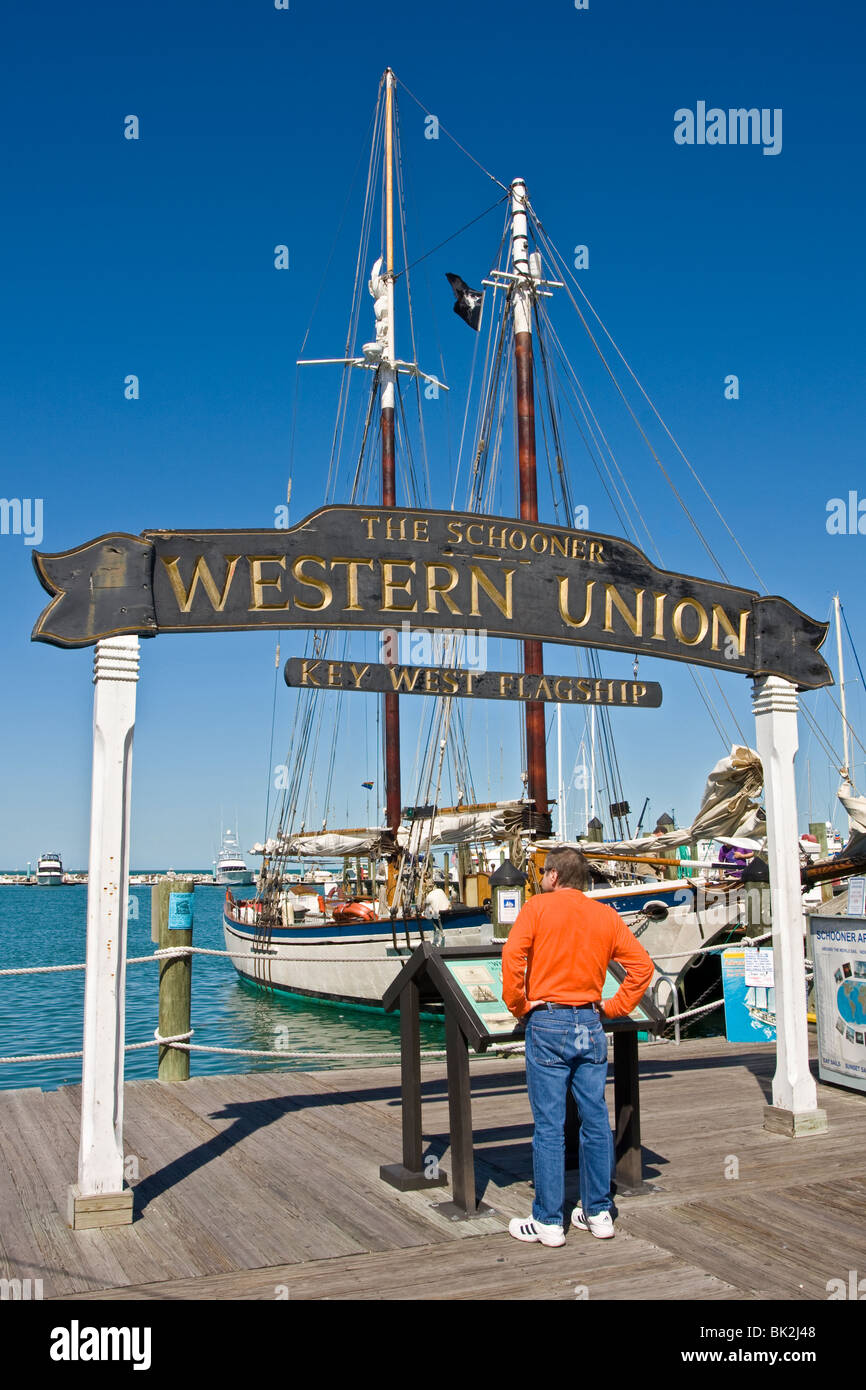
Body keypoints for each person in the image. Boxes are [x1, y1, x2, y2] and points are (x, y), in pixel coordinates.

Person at [501, 845, 654, 1247]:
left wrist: (519, 1004)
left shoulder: (536, 908)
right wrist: (614, 1007)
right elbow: (643, 968)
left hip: (547, 1018)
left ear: (552, 875)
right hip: (589, 1019)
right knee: (594, 1119)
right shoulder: (604, 915)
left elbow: (513, 956)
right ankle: (598, 1211)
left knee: (549, 1125)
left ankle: (549, 1220)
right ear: (584, 879)